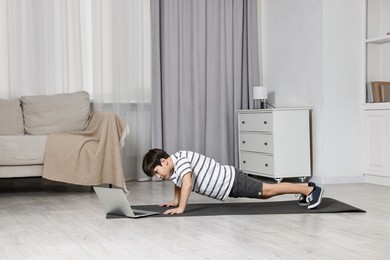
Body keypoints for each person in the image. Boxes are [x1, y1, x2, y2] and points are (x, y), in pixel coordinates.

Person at [142, 149, 324, 215]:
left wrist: (181, 208)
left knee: (268, 191)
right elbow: (179, 182)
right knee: (266, 193)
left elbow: (187, 184)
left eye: (157, 172)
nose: (158, 176)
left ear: (164, 161)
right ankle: (305, 189)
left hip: (231, 181)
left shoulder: (181, 160)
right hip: (228, 185)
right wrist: (175, 201)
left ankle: (309, 190)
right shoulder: (175, 166)